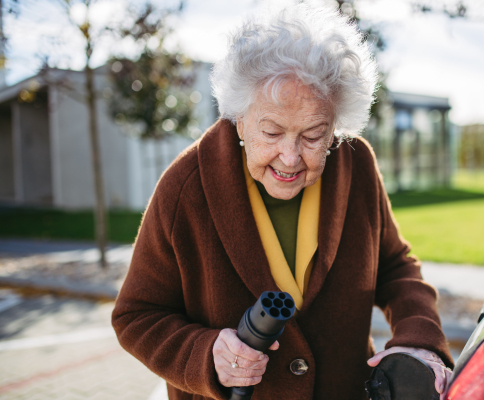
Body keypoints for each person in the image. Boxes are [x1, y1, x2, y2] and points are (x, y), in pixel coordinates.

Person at [112, 4, 453, 400]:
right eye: (271, 132)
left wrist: (419, 339)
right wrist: (206, 356)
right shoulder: (185, 186)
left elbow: (395, 267)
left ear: (336, 125)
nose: (290, 157)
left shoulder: (355, 162)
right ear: (239, 118)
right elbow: (136, 315)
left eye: (313, 135)